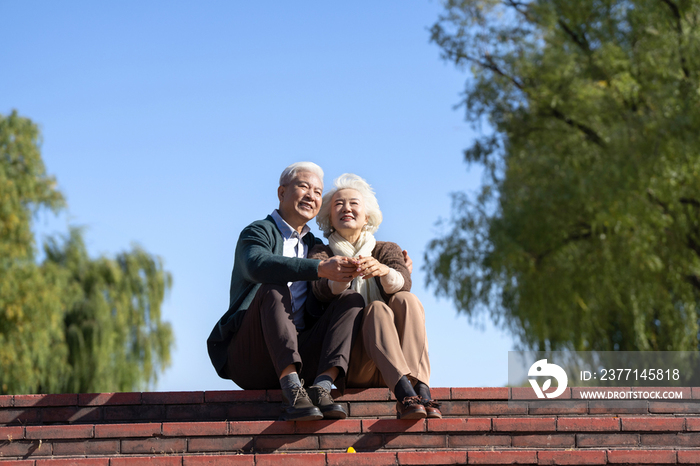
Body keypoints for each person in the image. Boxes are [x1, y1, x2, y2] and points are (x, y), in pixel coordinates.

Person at [207, 162, 365, 421]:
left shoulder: (317, 246)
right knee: (274, 286)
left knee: (350, 298)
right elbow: (257, 265)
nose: (311, 196)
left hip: (305, 356)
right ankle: (291, 389)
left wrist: (391, 265)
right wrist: (320, 268)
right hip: (253, 357)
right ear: (281, 193)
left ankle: (321, 388)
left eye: (317, 191)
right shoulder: (257, 231)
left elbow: (355, 243)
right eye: (304, 186)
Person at [309, 173, 441, 420]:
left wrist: (384, 271)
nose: (346, 208)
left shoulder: (386, 249)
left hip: (398, 362)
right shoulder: (321, 252)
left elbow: (404, 281)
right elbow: (318, 291)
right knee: (377, 309)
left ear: (367, 215)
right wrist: (340, 276)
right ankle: (405, 395)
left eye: (354, 203)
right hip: (356, 363)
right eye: (339, 204)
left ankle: (421, 388)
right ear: (329, 217)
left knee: (406, 300)